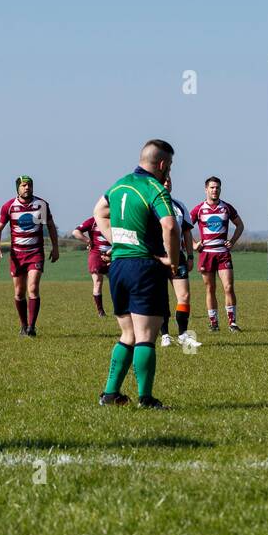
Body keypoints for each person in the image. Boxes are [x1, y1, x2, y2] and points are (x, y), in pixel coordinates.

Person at [94, 139, 181, 409]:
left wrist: (118, 241)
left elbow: (99, 212)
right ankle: (146, 398)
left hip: (118, 267)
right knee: (146, 335)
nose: (169, 173)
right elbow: (170, 227)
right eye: (170, 167)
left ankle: (110, 394)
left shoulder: (118, 185)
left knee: (128, 334)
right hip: (144, 267)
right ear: (162, 164)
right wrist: (173, 261)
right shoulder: (154, 187)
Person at [0, 175, 59, 337]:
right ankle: (23, 325)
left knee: (33, 288)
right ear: (18, 188)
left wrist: (55, 247)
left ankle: (31, 327)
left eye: (29, 185)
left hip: (35, 252)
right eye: (23, 185)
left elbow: (50, 226)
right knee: (19, 291)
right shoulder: (9, 206)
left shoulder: (41, 205)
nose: (27, 188)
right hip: (17, 254)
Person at [190, 176, 245, 332]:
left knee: (228, 287)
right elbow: (184, 228)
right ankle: (214, 323)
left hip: (223, 253)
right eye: (212, 187)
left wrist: (232, 241)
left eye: (217, 187)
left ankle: (232, 323)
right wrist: (194, 244)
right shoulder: (199, 209)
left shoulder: (226, 207)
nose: (215, 190)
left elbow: (240, 225)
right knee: (210, 289)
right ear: (206, 189)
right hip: (206, 254)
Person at [160, 175, 200, 349]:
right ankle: (165, 335)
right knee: (161, 298)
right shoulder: (149, 206)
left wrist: (190, 256)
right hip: (158, 258)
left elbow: (187, 233)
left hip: (178, 256)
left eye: (170, 181)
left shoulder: (179, 206)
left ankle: (183, 334)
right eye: (164, 180)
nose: (167, 183)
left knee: (184, 296)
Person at [70, 213, 111, 316]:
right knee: (97, 281)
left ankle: (122, 308)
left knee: (118, 282)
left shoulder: (117, 219)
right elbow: (76, 232)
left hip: (114, 254)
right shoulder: (93, 221)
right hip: (96, 254)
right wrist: (88, 241)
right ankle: (100, 311)